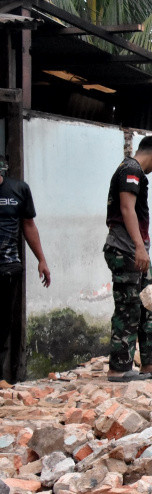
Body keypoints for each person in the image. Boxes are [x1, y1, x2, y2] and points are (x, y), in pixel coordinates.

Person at [104, 136, 152, 382]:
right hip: (125, 249)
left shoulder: (132, 170)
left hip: (136, 250)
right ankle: (119, 368)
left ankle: (150, 364)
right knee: (128, 309)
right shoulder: (131, 169)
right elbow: (127, 208)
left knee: (151, 304)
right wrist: (139, 246)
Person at [0, 158, 50, 384]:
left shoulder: (18, 189)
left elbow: (28, 225)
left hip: (8, 270)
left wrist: (41, 259)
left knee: (3, 326)